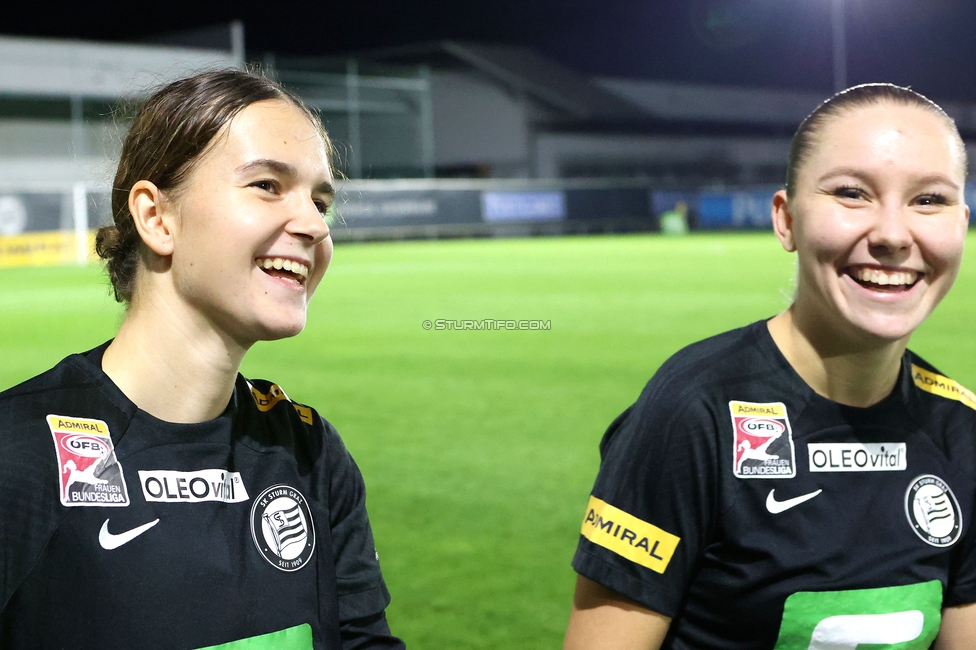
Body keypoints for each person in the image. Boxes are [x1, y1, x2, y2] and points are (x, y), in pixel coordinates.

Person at [0, 70, 405, 650]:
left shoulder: (307, 450)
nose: (316, 225)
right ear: (156, 217)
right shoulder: (16, 453)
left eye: (320, 201)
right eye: (267, 185)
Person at [564, 83, 976, 649]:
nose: (892, 234)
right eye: (852, 193)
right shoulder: (693, 411)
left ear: (962, 221)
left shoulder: (964, 430)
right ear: (785, 219)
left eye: (929, 200)